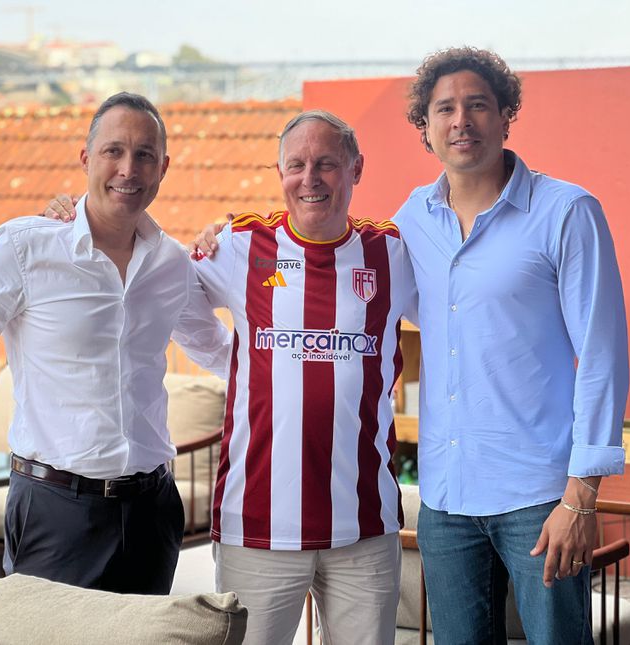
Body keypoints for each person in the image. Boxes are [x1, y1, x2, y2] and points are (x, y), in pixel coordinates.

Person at [45, 110, 418, 645]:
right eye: (296, 165)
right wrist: (71, 221)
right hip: (257, 525)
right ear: (280, 172)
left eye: (327, 164)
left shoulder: (393, 253)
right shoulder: (240, 245)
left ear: (356, 168)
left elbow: (462, 313)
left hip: (364, 525)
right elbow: (158, 281)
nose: (310, 178)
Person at [0, 92, 231, 594]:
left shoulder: (173, 264)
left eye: (144, 155)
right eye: (114, 151)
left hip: (152, 512)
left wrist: (238, 246)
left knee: (142, 634)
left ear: (163, 168)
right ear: (86, 158)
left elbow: (220, 352)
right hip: (54, 511)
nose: (128, 169)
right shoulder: (27, 248)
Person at [394, 47, 629, 643]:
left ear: (505, 116)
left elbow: (602, 355)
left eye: (477, 105)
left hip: (541, 496)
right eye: (444, 109)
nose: (461, 121)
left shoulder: (566, 211)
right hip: (446, 499)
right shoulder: (412, 219)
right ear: (425, 128)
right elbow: (343, 271)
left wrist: (581, 497)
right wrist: (237, 239)